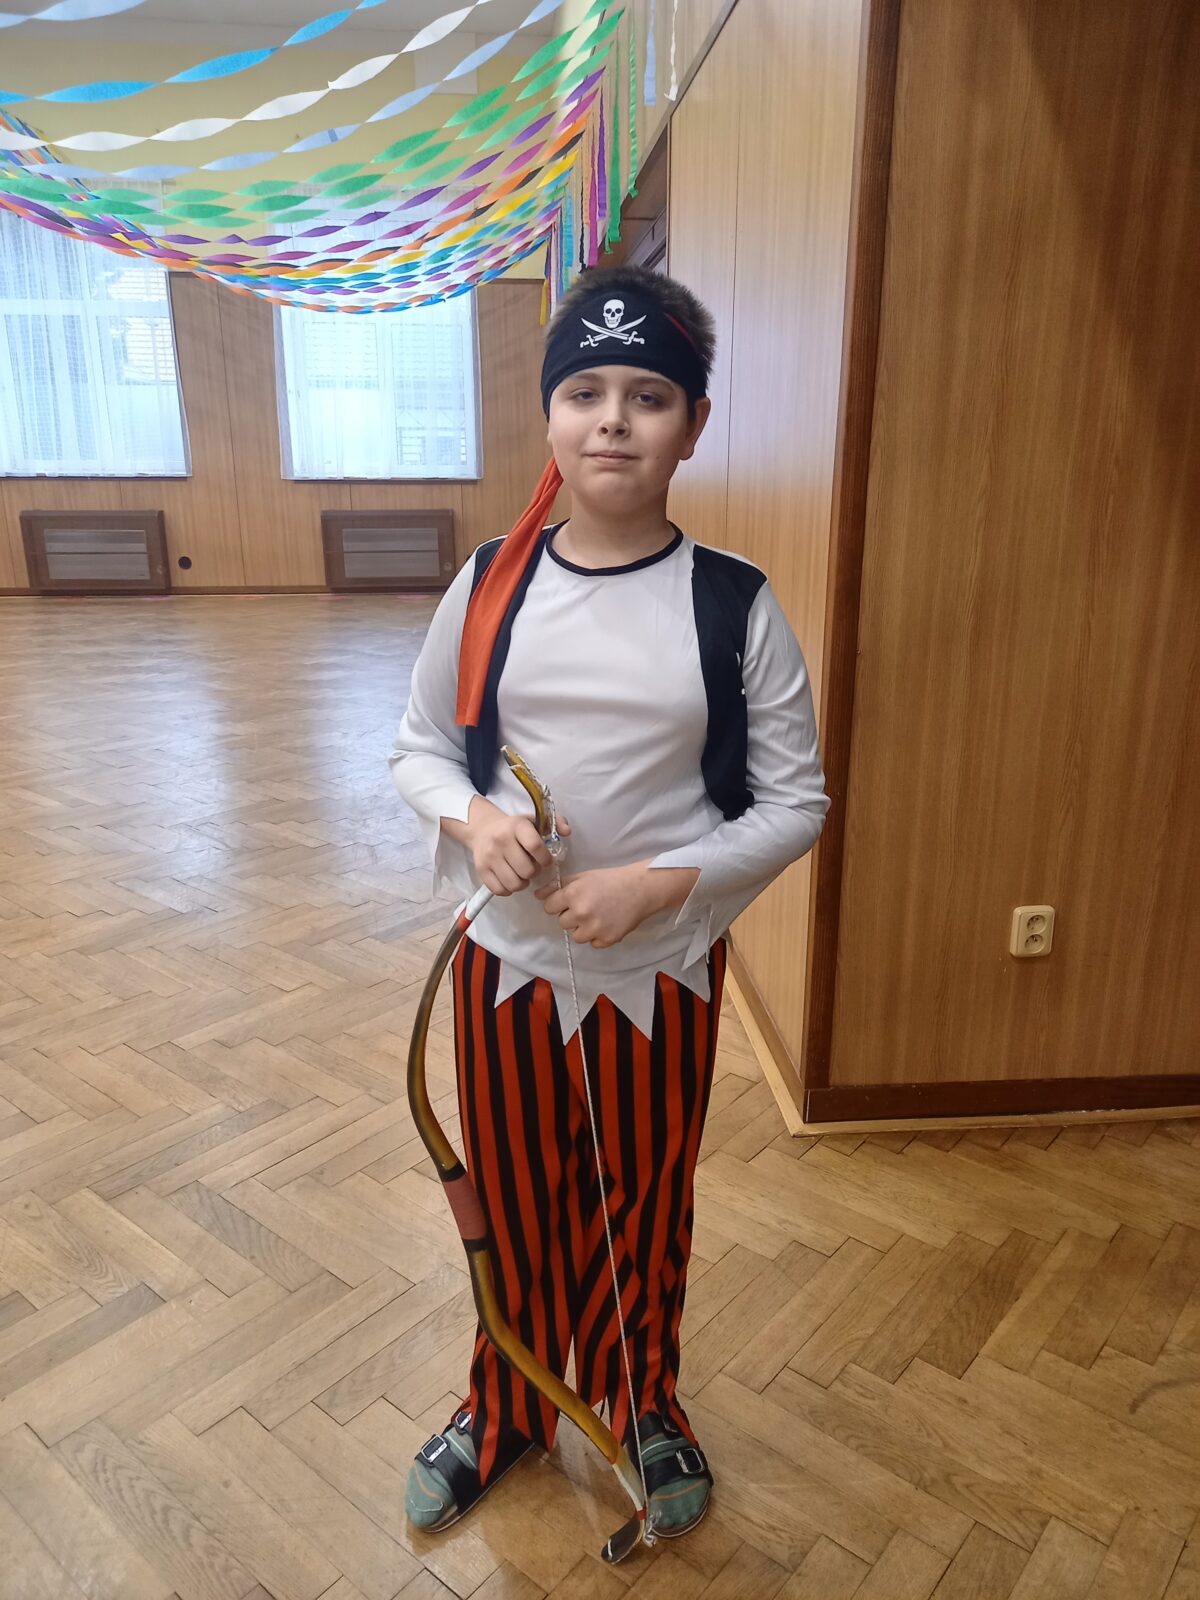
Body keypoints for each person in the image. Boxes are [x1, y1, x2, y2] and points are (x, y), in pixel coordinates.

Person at [388, 263, 830, 1540]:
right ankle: (510, 1405)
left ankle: (645, 1403)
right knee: (510, 1196)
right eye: (585, 391)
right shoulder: (489, 583)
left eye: (649, 395)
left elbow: (797, 802)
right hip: (506, 966)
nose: (613, 420)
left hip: (660, 974)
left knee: (645, 1197)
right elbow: (420, 748)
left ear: (694, 423)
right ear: (549, 416)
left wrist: (656, 884)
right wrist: (475, 819)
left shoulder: (735, 602)